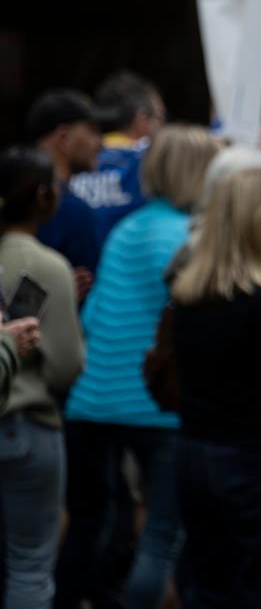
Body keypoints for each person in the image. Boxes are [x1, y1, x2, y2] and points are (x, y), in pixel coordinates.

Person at [55, 126, 219, 609]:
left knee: (91, 524)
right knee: (161, 537)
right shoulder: (187, 236)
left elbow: (91, 315)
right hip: (157, 407)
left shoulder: (127, 228)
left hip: (94, 400)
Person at [171, 167, 261, 608]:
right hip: (254, 460)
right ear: (254, 220)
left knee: (207, 585)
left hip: (194, 454)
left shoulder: (187, 296)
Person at [0, 147, 86, 609]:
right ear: (41, 197)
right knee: (30, 565)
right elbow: (65, 366)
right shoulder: (48, 266)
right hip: (30, 428)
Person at [70, 71, 166, 246]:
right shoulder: (151, 160)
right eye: (160, 117)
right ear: (142, 118)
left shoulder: (72, 160)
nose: (163, 127)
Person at [27, 90, 104, 294]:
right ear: (63, 138)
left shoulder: (14, 203)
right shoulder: (75, 212)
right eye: (93, 131)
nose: (100, 143)